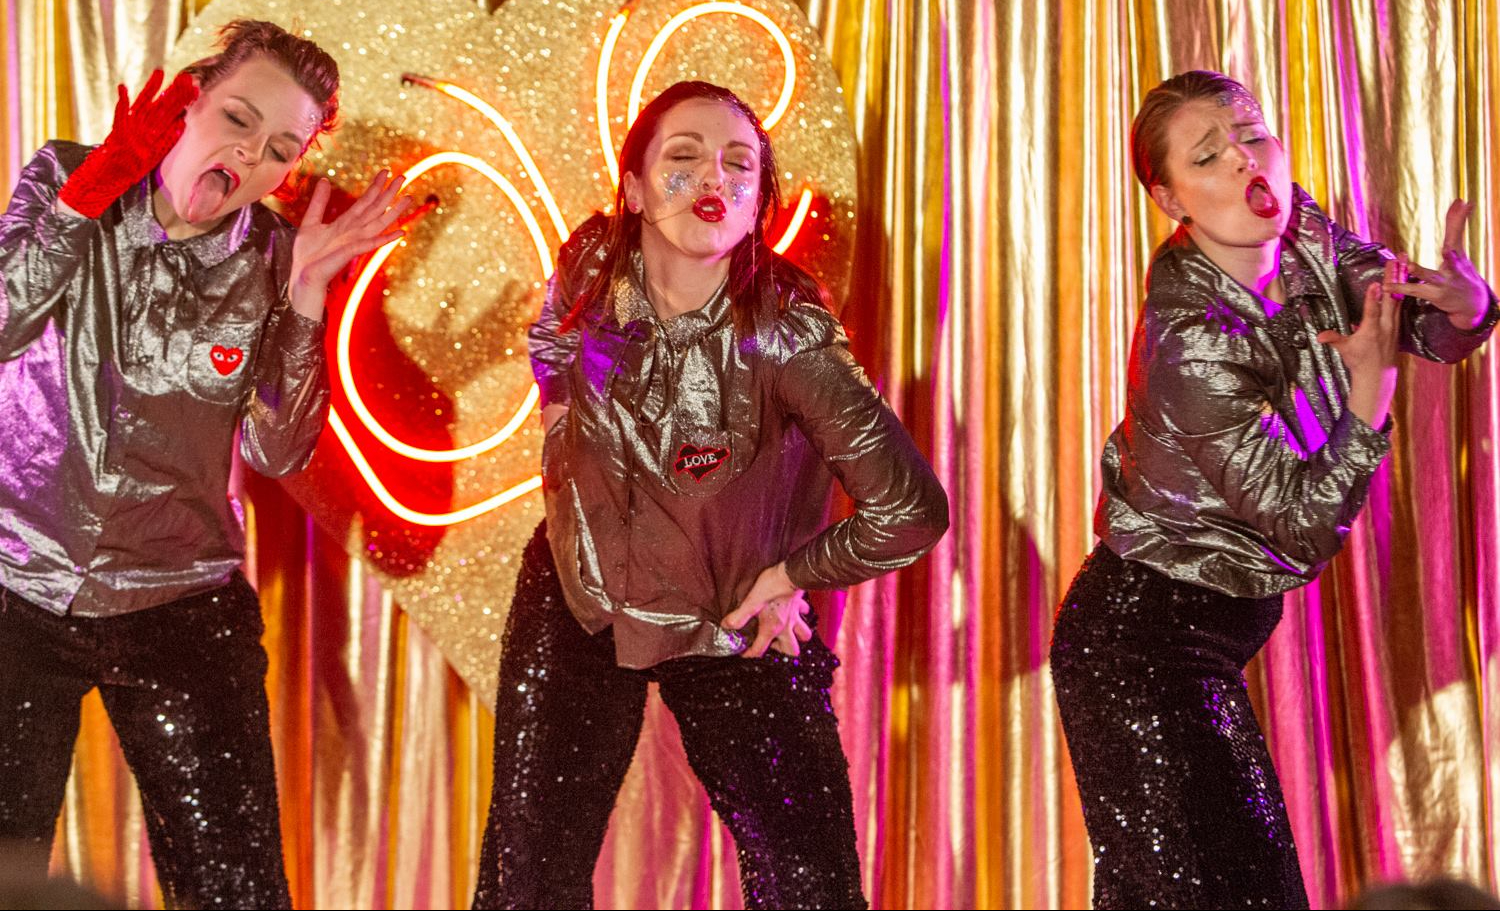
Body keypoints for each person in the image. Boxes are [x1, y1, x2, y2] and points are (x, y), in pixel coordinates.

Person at [471, 81, 949, 910]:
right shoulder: (592, 260)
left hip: (732, 617)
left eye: (739, 165)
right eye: (684, 157)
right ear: (633, 187)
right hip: (580, 597)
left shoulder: (785, 330)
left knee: (810, 886)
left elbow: (911, 509)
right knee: (527, 877)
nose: (712, 179)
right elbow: (551, 339)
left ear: (758, 200)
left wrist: (790, 576)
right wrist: (560, 433)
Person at [1050, 69, 1499, 910]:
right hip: (1137, 650)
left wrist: (1467, 308)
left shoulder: (1303, 232)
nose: (1244, 161)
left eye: (1252, 135)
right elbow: (1300, 523)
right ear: (1170, 199)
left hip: (1201, 648)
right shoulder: (1192, 336)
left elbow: (1407, 311)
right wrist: (1368, 398)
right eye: (1208, 156)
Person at [0, 19, 411, 909]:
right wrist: (81, 202)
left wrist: (307, 300)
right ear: (187, 103)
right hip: (16, 587)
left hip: (180, 601)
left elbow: (275, 448)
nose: (251, 155)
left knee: (237, 890)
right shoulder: (68, 174)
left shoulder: (274, 256)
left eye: (280, 150)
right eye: (237, 118)